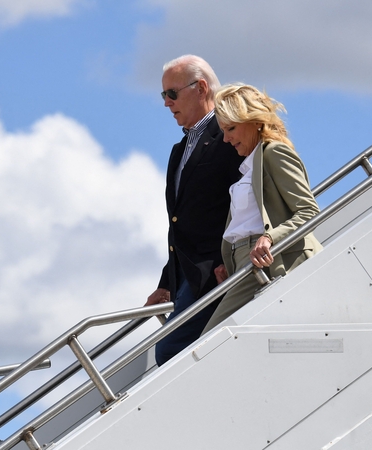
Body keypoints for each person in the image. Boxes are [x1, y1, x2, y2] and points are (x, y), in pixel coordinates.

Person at [145, 55, 244, 366]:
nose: (166, 103)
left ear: (201, 88)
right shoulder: (180, 149)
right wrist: (166, 281)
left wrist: (228, 257)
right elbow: (182, 224)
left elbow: (243, 199)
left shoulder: (229, 136)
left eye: (172, 94)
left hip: (215, 271)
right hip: (187, 276)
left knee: (169, 350)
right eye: (163, 95)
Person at [202, 83, 323, 333]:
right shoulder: (249, 166)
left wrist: (269, 238)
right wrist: (231, 264)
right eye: (224, 131)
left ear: (254, 121)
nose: (226, 139)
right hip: (246, 267)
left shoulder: (274, 152)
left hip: (267, 262)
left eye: (231, 128)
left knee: (210, 341)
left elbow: (309, 211)